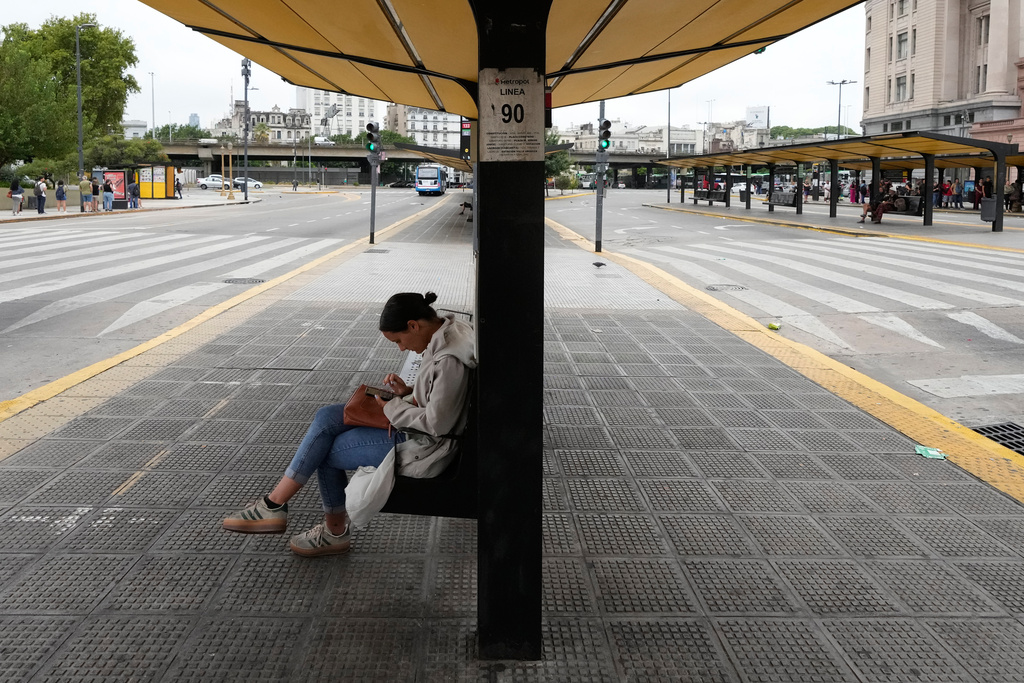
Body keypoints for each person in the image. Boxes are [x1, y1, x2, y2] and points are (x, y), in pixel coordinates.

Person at [222, 292, 477, 556]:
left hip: (424, 444)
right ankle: (273, 505)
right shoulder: (447, 334)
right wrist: (406, 392)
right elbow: (441, 397)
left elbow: (437, 423)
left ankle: (326, 530)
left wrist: (392, 406)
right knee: (327, 416)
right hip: (413, 428)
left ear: (414, 324)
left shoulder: (448, 360)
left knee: (324, 451)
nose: (401, 348)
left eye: (399, 340)